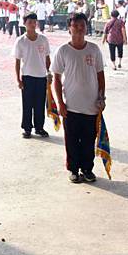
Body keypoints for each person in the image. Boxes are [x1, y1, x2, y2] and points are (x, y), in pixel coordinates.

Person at [52, 13, 106, 184]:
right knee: (72, 141)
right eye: (75, 25)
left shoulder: (94, 49)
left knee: (89, 140)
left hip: (91, 106)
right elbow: (57, 79)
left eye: (82, 25)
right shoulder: (63, 51)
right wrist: (60, 103)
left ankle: (88, 169)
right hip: (71, 107)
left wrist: (101, 98)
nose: (79, 28)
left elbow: (100, 75)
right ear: (69, 28)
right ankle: (74, 170)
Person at [12, 12, 51, 139]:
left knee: (40, 104)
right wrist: (18, 79)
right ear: (24, 24)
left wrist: (48, 73)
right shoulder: (20, 41)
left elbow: (47, 58)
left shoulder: (43, 39)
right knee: (27, 104)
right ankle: (27, 128)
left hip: (41, 77)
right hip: (27, 77)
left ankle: (39, 128)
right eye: (30, 22)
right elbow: (17, 62)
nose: (33, 25)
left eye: (34, 22)